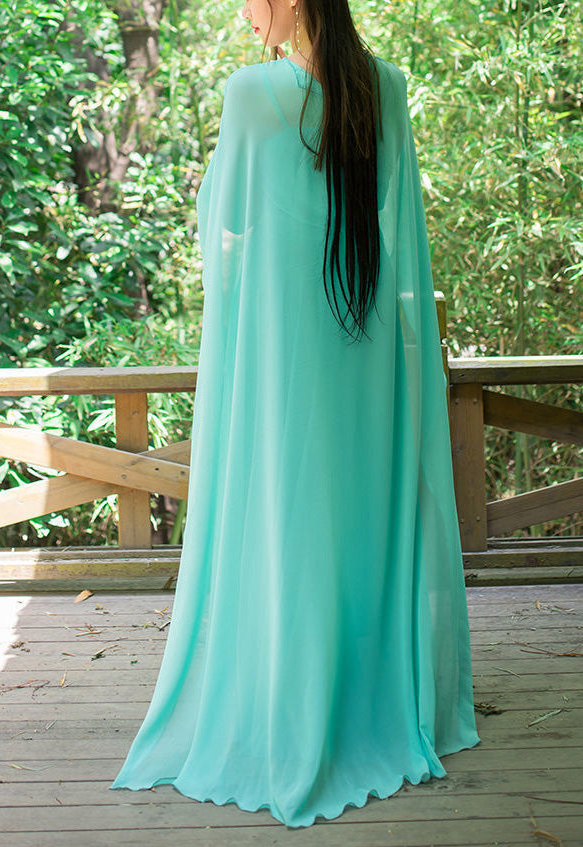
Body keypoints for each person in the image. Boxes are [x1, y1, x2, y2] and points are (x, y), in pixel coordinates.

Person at [110, 0, 482, 829]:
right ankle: (366, 686)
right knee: (358, 508)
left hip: (285, 343)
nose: (246, 13)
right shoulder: (386, 86)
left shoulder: (252, 95)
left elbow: (223, 224)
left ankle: (295, 684)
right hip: (364, 338)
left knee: (291, 506)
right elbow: (398, 228)